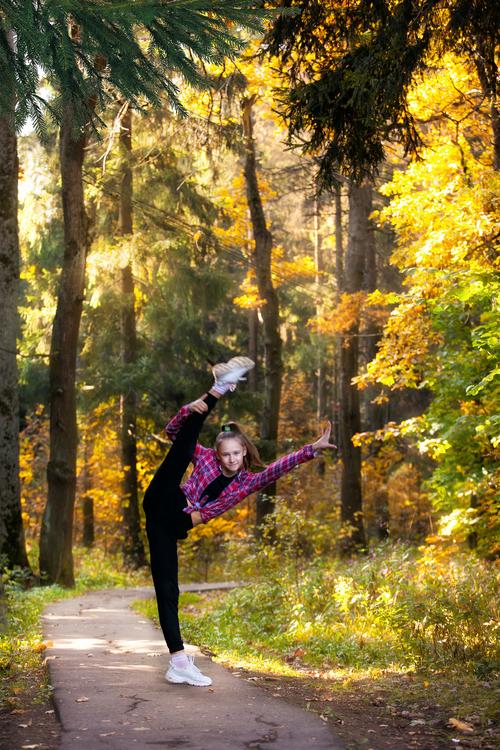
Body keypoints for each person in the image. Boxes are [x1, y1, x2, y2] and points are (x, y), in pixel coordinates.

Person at [142, 356, 336, 687]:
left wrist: (310, 450)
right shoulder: (206, 457)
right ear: (219, 455)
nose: (231, 459)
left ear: (244, 453)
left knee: (168, 590)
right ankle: (217, 389)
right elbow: (173, 433)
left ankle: (178, 662)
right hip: (165, 499)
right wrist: (189, 411)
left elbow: (277, 467)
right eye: (226, 454)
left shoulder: (246, 481)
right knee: (184, 445)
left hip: (172, 525)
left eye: (236, 453)